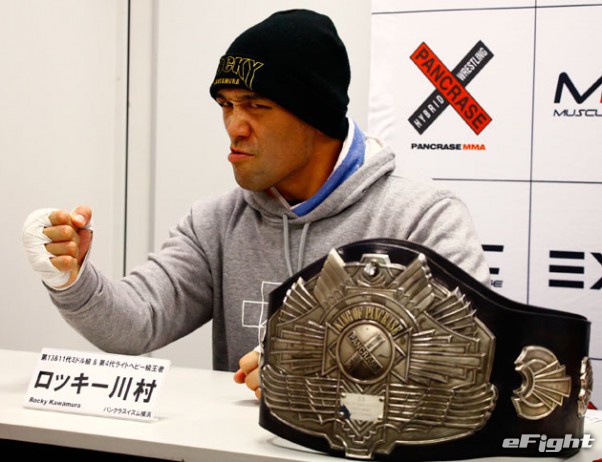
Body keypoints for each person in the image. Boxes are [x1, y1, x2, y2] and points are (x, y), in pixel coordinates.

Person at [21, 9, 490, 400]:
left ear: (318, 117)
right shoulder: (216, 222)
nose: (235, 127)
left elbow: (467, 358)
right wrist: (71, 276)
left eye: (256, 106)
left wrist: (325, 371)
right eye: (226, 105)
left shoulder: (421, 218)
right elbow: (137, 323)